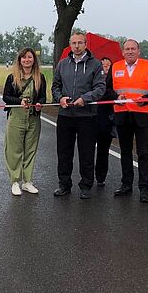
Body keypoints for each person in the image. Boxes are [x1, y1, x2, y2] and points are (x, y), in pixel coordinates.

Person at [104, 39, 148, 203]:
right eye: (127, 49)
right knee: (125, 152)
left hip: (142, 115)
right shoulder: (115, 67)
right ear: (123, 52)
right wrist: (116, 97)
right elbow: (107, 89)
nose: (130, 51)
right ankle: (126, 185)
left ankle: (143, 188)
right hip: (122, 115)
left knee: (144, 153)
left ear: (139, 51)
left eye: (133, 49)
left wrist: (145, 99)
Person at [51, 32, 106, 199]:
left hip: (87, 116)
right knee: (64, 152)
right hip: (65, 115)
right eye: (74, 43)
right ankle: (64, 184)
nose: (77, 46)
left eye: (80, 43)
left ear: (85, 44)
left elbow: (100, 88)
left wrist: (85, 99)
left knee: (87, 153)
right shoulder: (62, 64)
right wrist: (60, 98)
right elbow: (55, 86)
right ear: (70, 44)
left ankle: (86, 185)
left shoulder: (95, 65)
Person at [2, 48, 46, 195]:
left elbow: (43, 97)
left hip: (33, 118)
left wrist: (40, 104)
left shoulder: (40, 77)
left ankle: (27, 181)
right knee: (14, 150)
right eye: (24, 58)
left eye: (30, 57)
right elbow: (6, 97)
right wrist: (19, 101)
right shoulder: (12, 77)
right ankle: (15, 181)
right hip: (16, 117)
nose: (27, 60)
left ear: (34, 60)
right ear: (19, 60)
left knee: (30, 150)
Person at [95, 57, 115, 187]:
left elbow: (114, 95)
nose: (105, 68)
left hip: (107, 120)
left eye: (108, 65)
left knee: (103, 149)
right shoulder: (93, 80)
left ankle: (101, 176)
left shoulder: (114, 83)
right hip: (91, 119)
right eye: (102, 65)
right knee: (88, 149)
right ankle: (88, 175)